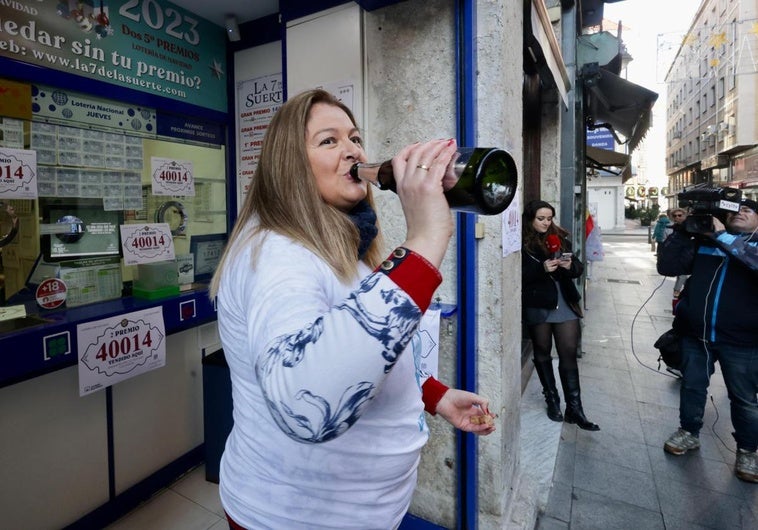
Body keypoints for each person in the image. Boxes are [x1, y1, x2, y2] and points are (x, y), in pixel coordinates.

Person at [209, 89, 496, 529]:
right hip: (294, 518)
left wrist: (431, 395)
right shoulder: (277, 253)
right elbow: (307, 402)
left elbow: (354, 346)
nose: (353, 151)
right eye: (329, 141)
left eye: (355, 138)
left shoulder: (341, 245)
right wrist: (425, 238)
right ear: (289, 165)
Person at [657, 198, 758, 483]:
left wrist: (721, 235)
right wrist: (681, 231)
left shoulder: (748, 244)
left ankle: (748, 450)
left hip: (743, 340)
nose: (740, 213)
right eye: (735, 210)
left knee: (744, 398)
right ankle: (689, 432)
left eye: (748, 210)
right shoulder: (707, 241)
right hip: (696, 333)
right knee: (692, 386)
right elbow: (667, 266)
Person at [521, 200, 599, 431]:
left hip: (564, 302)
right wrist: (541, 269)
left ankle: (575, 409)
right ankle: (552, 400)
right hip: (539, 304)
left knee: (568, 354)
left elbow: (578, 269)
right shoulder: (522, 242)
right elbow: (519, 276)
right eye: (541, 218)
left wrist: (568, 265)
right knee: (542, 353)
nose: (546, 222)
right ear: (531, 219)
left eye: (549, 218)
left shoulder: (560, 237)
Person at [665, 208, 689, 308]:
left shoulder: (690, 227)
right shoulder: (670, 228)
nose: (677, 218)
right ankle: (677, 292)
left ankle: (679, 291)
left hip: (689, 256)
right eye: (675, 216)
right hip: (679, 257)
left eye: (680, 215)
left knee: (685, 277)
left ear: (685, 216)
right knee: (682, 275)